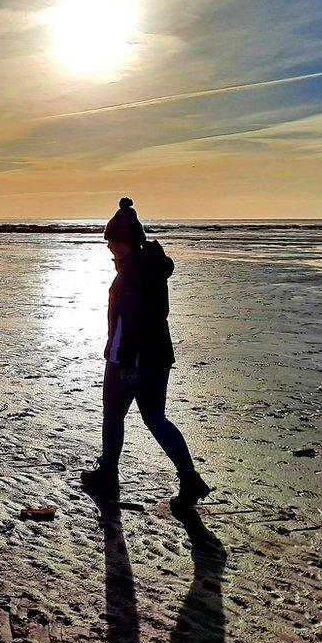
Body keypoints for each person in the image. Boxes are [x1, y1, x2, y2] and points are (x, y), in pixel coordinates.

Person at [81, 197, 212, 510]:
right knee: (154, 418)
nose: (110, 249)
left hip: (131, 359)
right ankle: (189, 478)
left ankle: (110, 475)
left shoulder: (133, 273)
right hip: (153, 357)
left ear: (122, 241)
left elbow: (134, 321)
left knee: (115, 415)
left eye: (111, 243)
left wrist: (126, 362)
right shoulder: (147, 267)